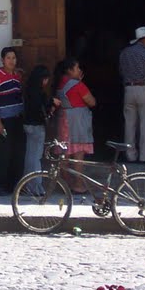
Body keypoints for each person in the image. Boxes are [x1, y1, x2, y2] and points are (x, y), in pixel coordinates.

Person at [119, 26, 145, 162]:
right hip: (144, 88)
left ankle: (130, 155)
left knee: (129, 124)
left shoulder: (124, 53)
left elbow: (121, 71)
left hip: (129, 89)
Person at [55, 58, 97, 192]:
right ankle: (78, 185)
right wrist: (80, 82)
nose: (80, 71)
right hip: (77, 121)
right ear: (69, 70)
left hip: (63, 120)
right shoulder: (78, 85)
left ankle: (64, 184)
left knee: (64, 153)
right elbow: (92, 102)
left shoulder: (58, 83)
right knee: (78, 153)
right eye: (77, 68)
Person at [0, 47, 25, 196]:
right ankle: (1, 185)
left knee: (17, 153)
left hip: (18, 120)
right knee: (3, 154)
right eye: (8, 58)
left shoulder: (17, 77)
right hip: (4, 121)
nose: (11, 61)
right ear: (2, 60)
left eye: (14, 58)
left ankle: (14, 185)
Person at [21, 65, 59, 195]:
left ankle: (26, 184)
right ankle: (36, 187)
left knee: (29, 156)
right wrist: (52, 105)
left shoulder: (28, 90)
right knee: (36, 157)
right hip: (37, 126)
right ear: (43, 79)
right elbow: (42, 111)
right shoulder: (40, 93)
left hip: (28, 125)